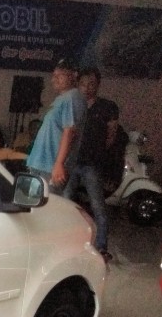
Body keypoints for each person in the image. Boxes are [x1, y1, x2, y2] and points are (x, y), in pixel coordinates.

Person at [64, 66, 118, 260]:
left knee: (98, 206)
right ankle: (66, 244)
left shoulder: (107, 107)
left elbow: (111, 137)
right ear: (78, 84)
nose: (87, 88)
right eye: (84, 84)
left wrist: (99, 155)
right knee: (64, 204)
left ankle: (101, 247)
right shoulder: (71, 104)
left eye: (92, 84)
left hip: (91, 165)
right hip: (70, 163)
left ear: (98, 85)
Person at [26, 59, 86, 192]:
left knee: (45, 207)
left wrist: (59, 164)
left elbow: (69, 131)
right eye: (54, 75)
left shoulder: (73, 97)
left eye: (60, 75)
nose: (55, 79)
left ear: (73, 76)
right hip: (41, 164)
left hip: (50, 166)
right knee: (33, 207)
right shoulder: (62, 98)